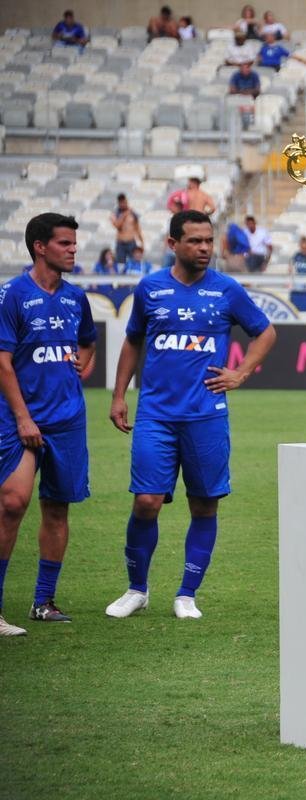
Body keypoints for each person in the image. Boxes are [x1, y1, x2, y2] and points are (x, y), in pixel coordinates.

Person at [105, 211, 275, 622]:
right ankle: (137, 589)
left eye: (208, 241)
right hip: (156, 415)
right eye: (195, 241)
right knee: (146, 501)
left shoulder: (227, 290)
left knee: (204, 505)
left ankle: (186, 594)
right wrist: (118, 396)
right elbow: (133, 341)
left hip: (206, 416)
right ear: (172, 244)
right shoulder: (150, 289)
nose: (204, 248)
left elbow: (265, 332)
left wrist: (241, 372)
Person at [0, 214, 97, 634]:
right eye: (64, 243)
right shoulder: (12, 295)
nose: (73, 249)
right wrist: (23, 417)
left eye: (74, 243)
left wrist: (84, 364)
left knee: (57, 508)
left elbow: (89, 342)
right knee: (12, 502)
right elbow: (2, 363)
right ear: (40, 247)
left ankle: (44, 602)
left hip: (68, 420)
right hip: (22, 419)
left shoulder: (77, 298)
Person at [111, 194, 144, 269]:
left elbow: (137, 228)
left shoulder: (133, 214)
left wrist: (142, 242)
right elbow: (117, 225)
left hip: (131, 242)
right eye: (121, 203)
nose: (123, 204)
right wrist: (124, 214)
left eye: (124, 202)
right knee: (120, 263)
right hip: (120, 243)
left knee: (134, 261)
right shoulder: (115, 214)